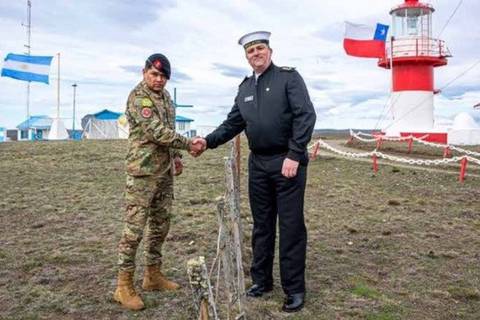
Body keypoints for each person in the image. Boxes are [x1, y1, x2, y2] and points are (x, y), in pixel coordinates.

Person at [192, 31, 316, 312]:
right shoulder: (245, 87)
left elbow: (305, 115)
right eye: (250, 51)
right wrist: (207, 141)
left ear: (270, 51)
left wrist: (295, 154)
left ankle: (294, 289)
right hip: (258, 165)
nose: (255, 54)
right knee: (262, 226)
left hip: (287, 163)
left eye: (260, 48)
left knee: (291, 226)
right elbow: (232, 123)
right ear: (246, 56)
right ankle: (262, 281)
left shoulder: (288, 78)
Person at [113, 53, 204, 310]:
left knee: (160, 225)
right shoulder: (138, 98)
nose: (158, 80)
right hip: (142, 173)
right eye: (154, 74)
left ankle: (152, 275)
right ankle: (123, 286)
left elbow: (169, 127)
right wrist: (188, 144)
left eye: (163, 76)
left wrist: (176, 156)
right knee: (134, 231)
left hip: (163, 172)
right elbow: (157, 132)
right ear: (144, 72)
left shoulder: (165, 98)